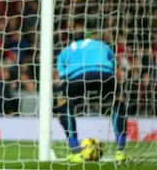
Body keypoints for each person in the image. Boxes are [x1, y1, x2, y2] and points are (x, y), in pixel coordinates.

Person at [54, 26, 127, 163]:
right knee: (118, 101)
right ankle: (120, 151)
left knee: (63, 103)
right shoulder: (102, 45)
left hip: (77, 77)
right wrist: (117, 88)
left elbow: (61, 74)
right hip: (104, 74)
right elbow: (115, 68)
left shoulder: (66, 50)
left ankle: (76, 151)